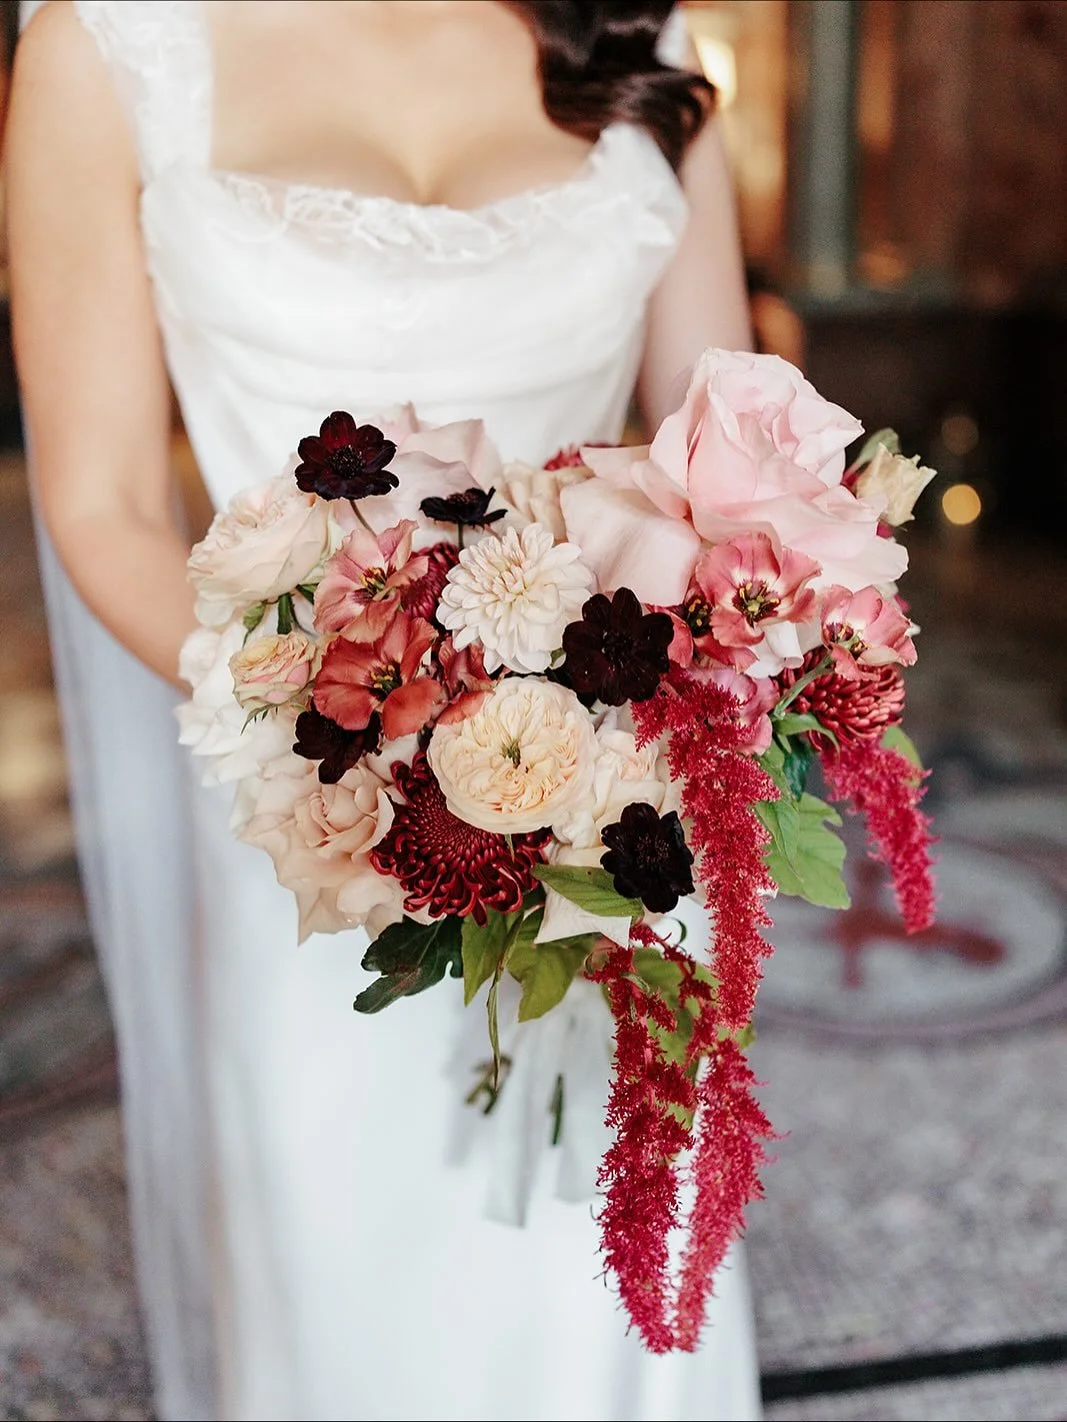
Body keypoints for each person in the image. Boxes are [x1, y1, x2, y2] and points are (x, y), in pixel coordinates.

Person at [6, 3, 759, 1418]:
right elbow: (100, 503)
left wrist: (710, 656)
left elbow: (715, 471)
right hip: (311, 810)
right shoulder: (110, 47)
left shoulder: (641, 34)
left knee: (614, 1274)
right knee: (346, 1286)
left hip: (607, 806)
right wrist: (357, 727)